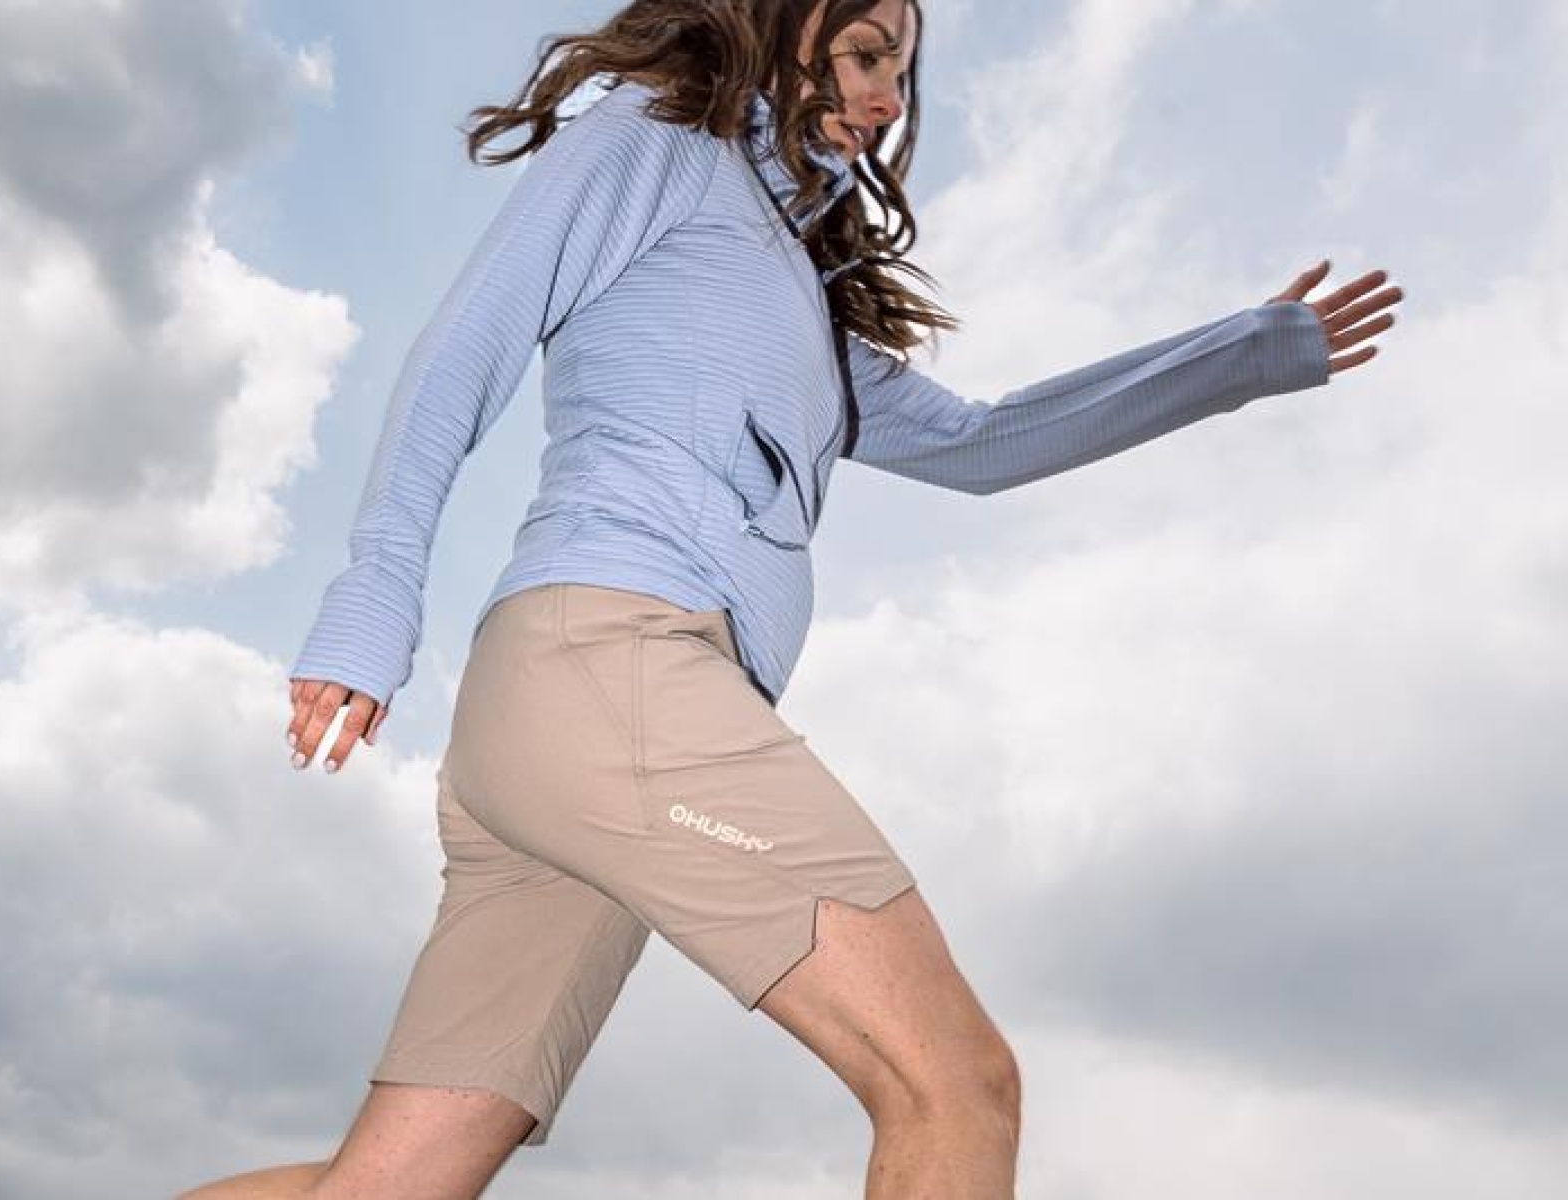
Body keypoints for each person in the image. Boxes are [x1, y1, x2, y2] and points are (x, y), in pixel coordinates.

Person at [180, 0, 1402, 1196]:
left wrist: (1246, 354)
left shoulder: (797, 308)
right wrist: (374, 595)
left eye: (902, 74)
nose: (886, 97)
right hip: (614, 666)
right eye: (866, 53)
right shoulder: (655, 140)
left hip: (577, 736)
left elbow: (984, 442)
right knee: (953, 1085)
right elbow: (467, 345)